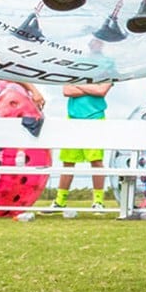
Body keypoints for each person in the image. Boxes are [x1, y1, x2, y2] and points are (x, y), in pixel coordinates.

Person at [50, 82, 112, 213]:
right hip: (73, 118)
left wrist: (78, 87)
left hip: (95, 118)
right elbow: (66, 90)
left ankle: (98, 202)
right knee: (68, 161)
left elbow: (101, 91)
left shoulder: (106, 70)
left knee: (96, 161)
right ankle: (60, 202)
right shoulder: (75, 70)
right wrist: (92, 89)